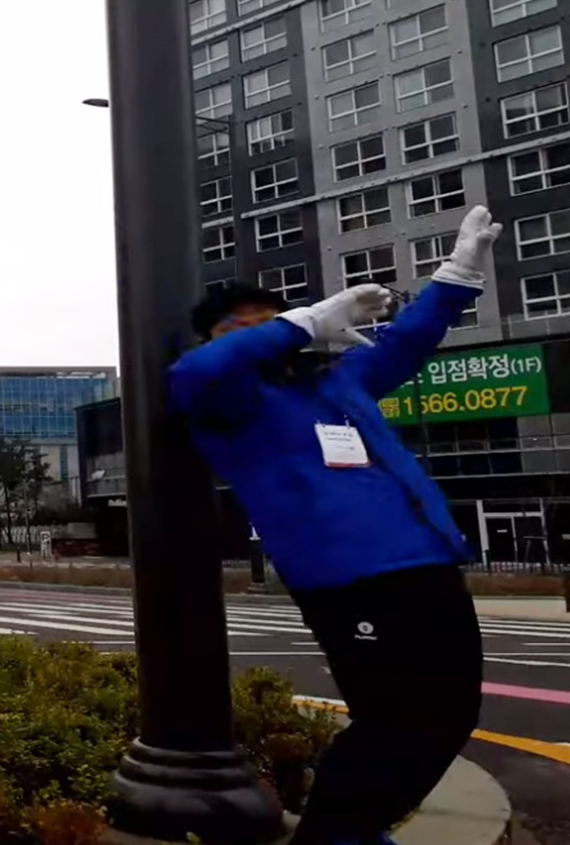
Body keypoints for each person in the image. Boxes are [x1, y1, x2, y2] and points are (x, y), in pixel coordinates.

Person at [171, 206, 502, 845]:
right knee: (401, 721)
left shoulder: (336, 383)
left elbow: (406, 342)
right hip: (350, 579)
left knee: (447, 713)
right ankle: (339, 834)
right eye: (243, 330)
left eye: (272, 321)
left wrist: (457, 276)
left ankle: (353, 827)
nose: (269, 335)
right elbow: (196, 371)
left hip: (425, 563)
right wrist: (301, 323)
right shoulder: (231, 402)